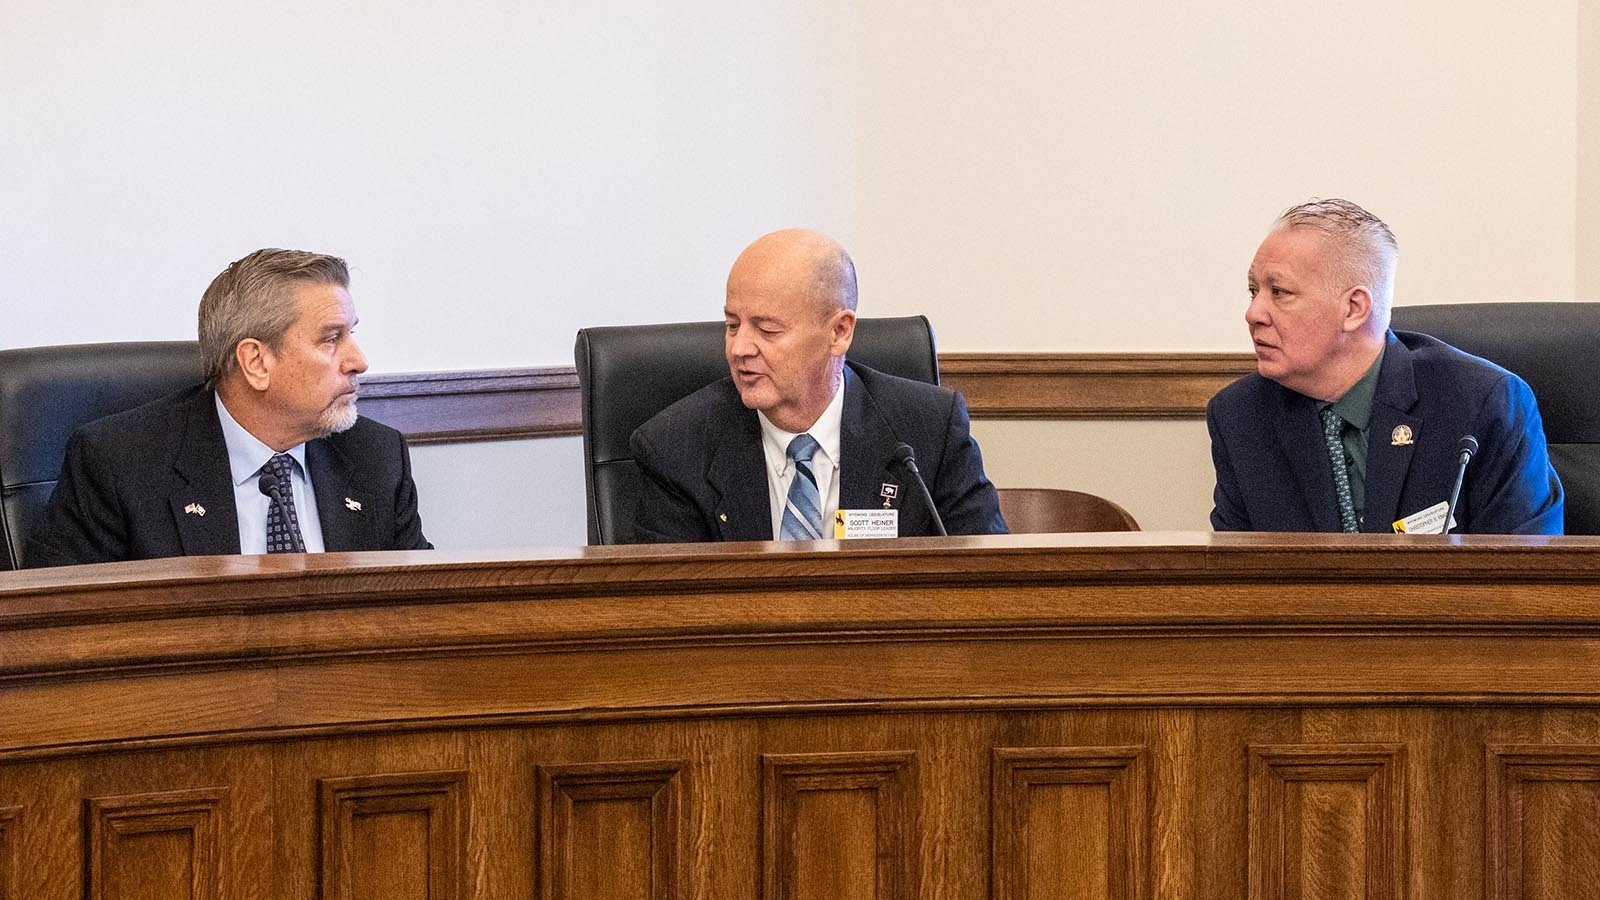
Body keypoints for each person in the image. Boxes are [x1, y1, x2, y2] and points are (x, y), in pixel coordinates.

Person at [27, 249, 431, 566]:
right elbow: (59, 631)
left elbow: (424, 612)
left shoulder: (376, 458)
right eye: (330, 339)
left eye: (352, 334)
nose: (358, 360)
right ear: (255, 362)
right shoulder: (120, 464)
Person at [1207, 199, 1563, 534]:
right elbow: (1237, 576)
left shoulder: (1483, 403)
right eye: (1254, 291)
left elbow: (1526, 575)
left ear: (1354, 309)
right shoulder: (1240, 416)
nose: (1253, 314)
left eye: (1279, 292)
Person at [630, 228, 1007, 542]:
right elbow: (668, 611)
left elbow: (991, 584)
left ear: (839, 332)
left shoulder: (928, 430)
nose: (740, 348)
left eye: (767, 329)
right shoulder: (676, 447)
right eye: (732, 325)